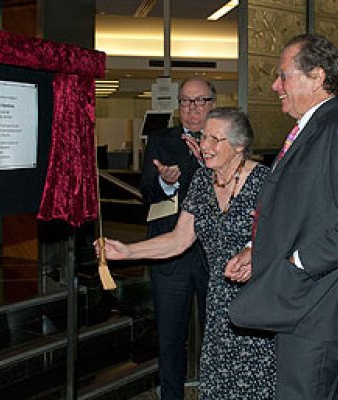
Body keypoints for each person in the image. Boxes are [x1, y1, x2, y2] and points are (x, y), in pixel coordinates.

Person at [96, 107, 276, 399]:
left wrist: (254, 251)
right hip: (218, 302)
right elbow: (179, 239)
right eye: (204, 137)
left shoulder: (266, 182)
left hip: (258, 300)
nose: (204, 146)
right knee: (219, 386)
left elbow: (289, 236)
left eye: (215, 139)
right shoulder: (203, 182)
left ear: (240, 145)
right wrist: (128, 251)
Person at [226, 33, 338, 400]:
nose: (275, 85)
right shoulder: (311, 128)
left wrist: (299, 263)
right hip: (303, 304)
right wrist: (255, 249)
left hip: (316, 308)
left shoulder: (333, 128)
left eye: (283, 75)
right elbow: (298, 209)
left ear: (317, 76)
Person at [139, 78, 215, 399]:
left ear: (212, 104)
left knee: (218, 333)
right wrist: (165, 182)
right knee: (170, 337)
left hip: (214, 252)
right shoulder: (160, 140)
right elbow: (147, 191)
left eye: (198, 102)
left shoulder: (226, 138)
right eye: (185, 102)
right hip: (172, 252)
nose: (191, 109)